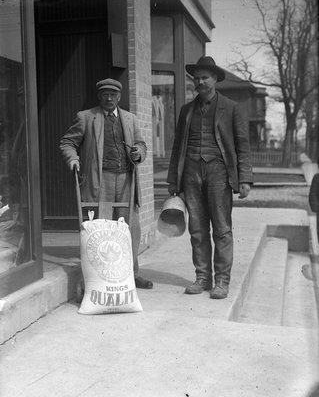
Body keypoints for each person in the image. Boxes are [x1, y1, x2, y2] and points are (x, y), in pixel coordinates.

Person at [167, 56, 253, 299]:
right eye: (197, 77)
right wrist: (174, 180)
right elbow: (176, 149)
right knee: (197, 229)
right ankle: (202, 277)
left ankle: (222, 281)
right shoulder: (186, 110)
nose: (200, 81)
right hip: (191, 174)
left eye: (205, 77)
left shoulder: (232, 108)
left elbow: (243, 146)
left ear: (215, 79)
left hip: (219, 172)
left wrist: (244, 178)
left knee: (222, 229)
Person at [60, 78, 153, 289]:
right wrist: (73, 158)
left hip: (127, 179)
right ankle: (101, 277)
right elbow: (68, 142)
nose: (109, 98)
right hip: (100, 179)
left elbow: (141, 143)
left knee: (130, 228)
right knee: (102, 228)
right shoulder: (86, 117)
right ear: (99, 96)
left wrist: (139, 153)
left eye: (113, 94)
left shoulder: (130, 119)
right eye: (105, 94)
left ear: (119, 97)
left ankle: (131, 273)